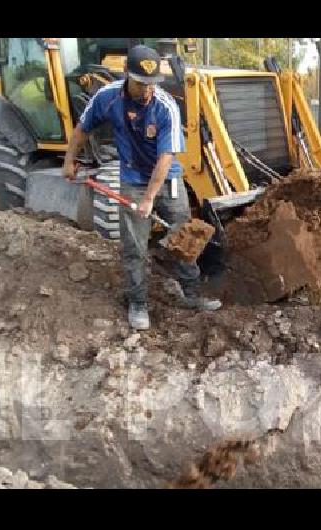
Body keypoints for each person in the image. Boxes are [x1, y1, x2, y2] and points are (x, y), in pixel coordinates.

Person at [63, 44, 221, 330]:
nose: (147, 90)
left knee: (183, 236)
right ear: (126, 75)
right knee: (134, 245)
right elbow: (82, 128)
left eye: (152, 84)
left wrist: (150, 198)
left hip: (167, 178)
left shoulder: (165, 106)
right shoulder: (107, 97)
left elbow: (165, 157)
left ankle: (190, 293)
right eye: (140, 83)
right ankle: (137, 302)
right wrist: (69, 160)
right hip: (133, 179)